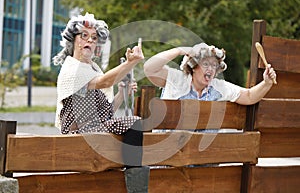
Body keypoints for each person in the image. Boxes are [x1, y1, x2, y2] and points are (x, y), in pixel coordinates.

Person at [53, 12, 149, 193]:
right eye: (84, 36)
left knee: (136, 123)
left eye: (94, 37)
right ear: (74, 40)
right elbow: (104, 82)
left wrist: (122, 93)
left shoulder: (93, 69)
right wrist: (130, 63)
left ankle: (135, 187)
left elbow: (106, 112)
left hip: (97, 128)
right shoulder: (72, 68)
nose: (89, 40)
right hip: (79, 133)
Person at [144, 42, 277, 105]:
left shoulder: (219, 87)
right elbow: (150, 68)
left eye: (214, 65)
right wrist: (179, 50)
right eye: (206, 64)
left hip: (204, 157)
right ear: (194, 67)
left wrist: (266, 82)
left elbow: (248, 96)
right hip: (170, 155)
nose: (211, 69)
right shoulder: (177, 79)